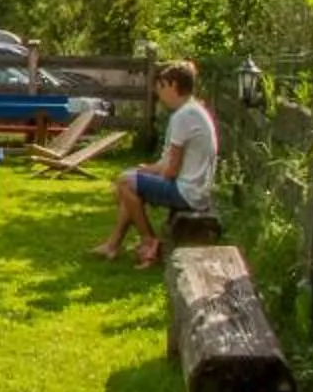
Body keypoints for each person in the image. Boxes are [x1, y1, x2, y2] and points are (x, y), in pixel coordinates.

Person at [94, 60, 219, 270]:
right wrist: (147, 171)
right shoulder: (193, 111)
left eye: (161, 87)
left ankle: (149, 241)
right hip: (196, 190)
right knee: (129, 181)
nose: (158, 94)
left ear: (173, 85)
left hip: (187, 192)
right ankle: (112, 245)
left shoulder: (183, 116)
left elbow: (171, 171)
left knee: (125, 183)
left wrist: (147, 178)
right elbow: (168, 161)